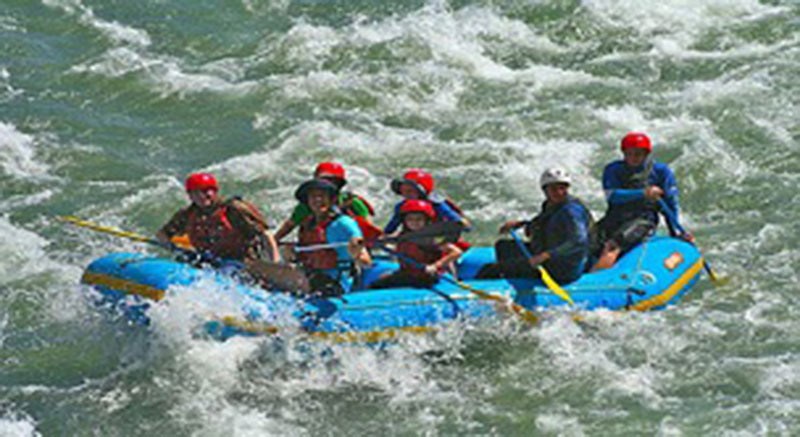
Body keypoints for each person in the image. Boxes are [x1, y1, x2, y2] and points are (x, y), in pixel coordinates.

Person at [591, 132, 694, 271]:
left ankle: (596, 280)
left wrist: (675, 233)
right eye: (630, 154)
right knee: (588, 241)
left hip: (644, 220)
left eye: (638, 154)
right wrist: (643, 193)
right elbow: (612, 196)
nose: (633, 158)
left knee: (613, 245)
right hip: (615, 217)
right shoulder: (613, 169)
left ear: (646, 154)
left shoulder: (661, 171)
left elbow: (670, 204)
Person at [477, 168, 593, 285]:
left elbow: (579, 241)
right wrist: (522, 224)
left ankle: (510, 281)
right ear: (545, 191)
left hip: (561, 269)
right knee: (503, 246)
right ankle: (514, 279)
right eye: (553, 189)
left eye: (562, 188)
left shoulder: (572, 212)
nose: (559, 192)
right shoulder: (551, 205)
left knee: (489, 270)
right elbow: (548, 223)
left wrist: (546, 255)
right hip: (548, 257)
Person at [156, 173, 280, 263]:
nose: (201, 196)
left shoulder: (234, 209)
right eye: (195, 192)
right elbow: (162, 234)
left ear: (214, 191)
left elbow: (266, 235)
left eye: (205, 191)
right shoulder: (187, 214)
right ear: (190, 196)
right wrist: (174, 249)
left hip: (244, 261)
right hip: (210, 261)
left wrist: (275, 263)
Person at [292, 178, 372, 296]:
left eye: (322, 196)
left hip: (336, 283)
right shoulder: (308, 224)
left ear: (331, 200)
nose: (318, 199)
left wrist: (356, 253)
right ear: (308, 201)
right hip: (311, 275)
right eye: (313, 196)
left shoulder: (344, 223)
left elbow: (366, 261)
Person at [274, 162, 381, 243]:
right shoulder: (305, 207)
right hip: (315, 252)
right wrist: (274, 241)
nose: (328, 185)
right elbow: (288, 227)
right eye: (323, 181)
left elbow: (369, 229)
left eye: (334, 182)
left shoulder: (354, 203)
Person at [369, 200, 463, 289]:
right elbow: (389, 239)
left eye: (419, 219)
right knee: (377, 283)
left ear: (426, 220)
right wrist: (376, 241)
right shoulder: (403, 235)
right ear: (404, 221)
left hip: (426, 276)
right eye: (410, 219)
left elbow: (456, 252)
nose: (414, 222)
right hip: (407, 273)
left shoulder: (430, 238)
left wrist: (435, 265)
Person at [384, 168, 471, 249]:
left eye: (410, 191)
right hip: (414, 237)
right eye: (403, 191)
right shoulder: (401, 207)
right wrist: (385, 236)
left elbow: (458, 221)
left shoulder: (437, 204)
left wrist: (460, 222)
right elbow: (391, 227)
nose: (406, 194)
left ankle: (443, 251)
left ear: (422, 191)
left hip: (437, 237)